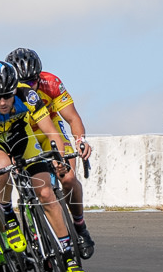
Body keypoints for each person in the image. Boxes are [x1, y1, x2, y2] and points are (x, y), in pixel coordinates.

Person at [0, 61, 87, 272]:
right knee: (1, 167)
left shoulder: (26, 94)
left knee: (47, 194)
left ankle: (69, 258)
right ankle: (9, 215)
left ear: (15, 89)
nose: (3, 102)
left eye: (7, 96)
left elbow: (51, 131)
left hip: (22, 137)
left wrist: (58, 158)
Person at [5, 47, 95, 256]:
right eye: (23, 84)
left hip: (49, 130)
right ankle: (33, 229)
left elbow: (72, 118)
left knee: (68, 178)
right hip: (24, 134)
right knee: (23, 179)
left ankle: (80, 226)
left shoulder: (51, 83)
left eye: (32, 82)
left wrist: (81, 140)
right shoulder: (6, 94)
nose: (29, 88)